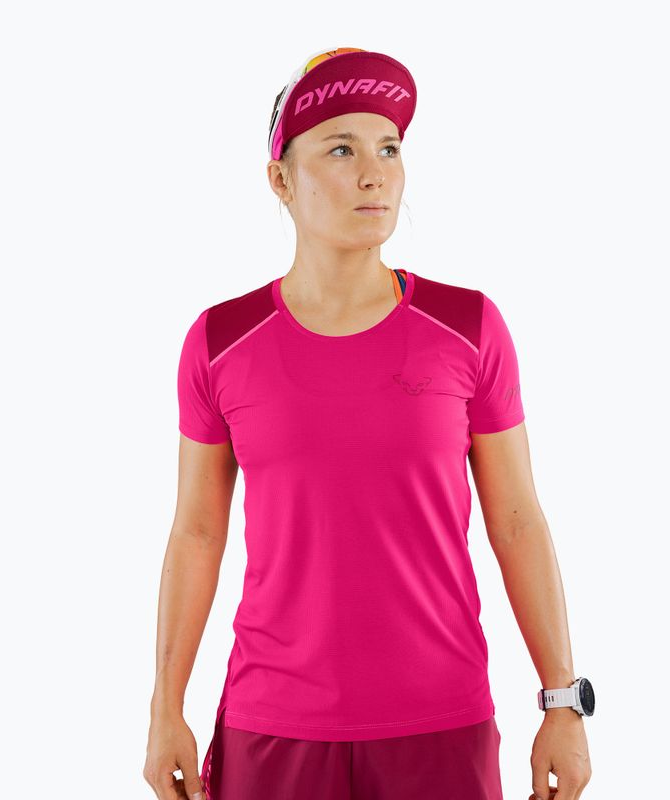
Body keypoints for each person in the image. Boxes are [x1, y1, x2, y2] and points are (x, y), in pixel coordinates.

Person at [144, 47, 592, 800]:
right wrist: (166, 711)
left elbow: (516, 520)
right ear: (280, 179)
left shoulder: (468, 327)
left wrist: (562, 702)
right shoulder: (220, 342)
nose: (374, 173)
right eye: (340, 149)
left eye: (388, 148)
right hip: (274, 727)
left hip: (440, 723)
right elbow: (196, 533)